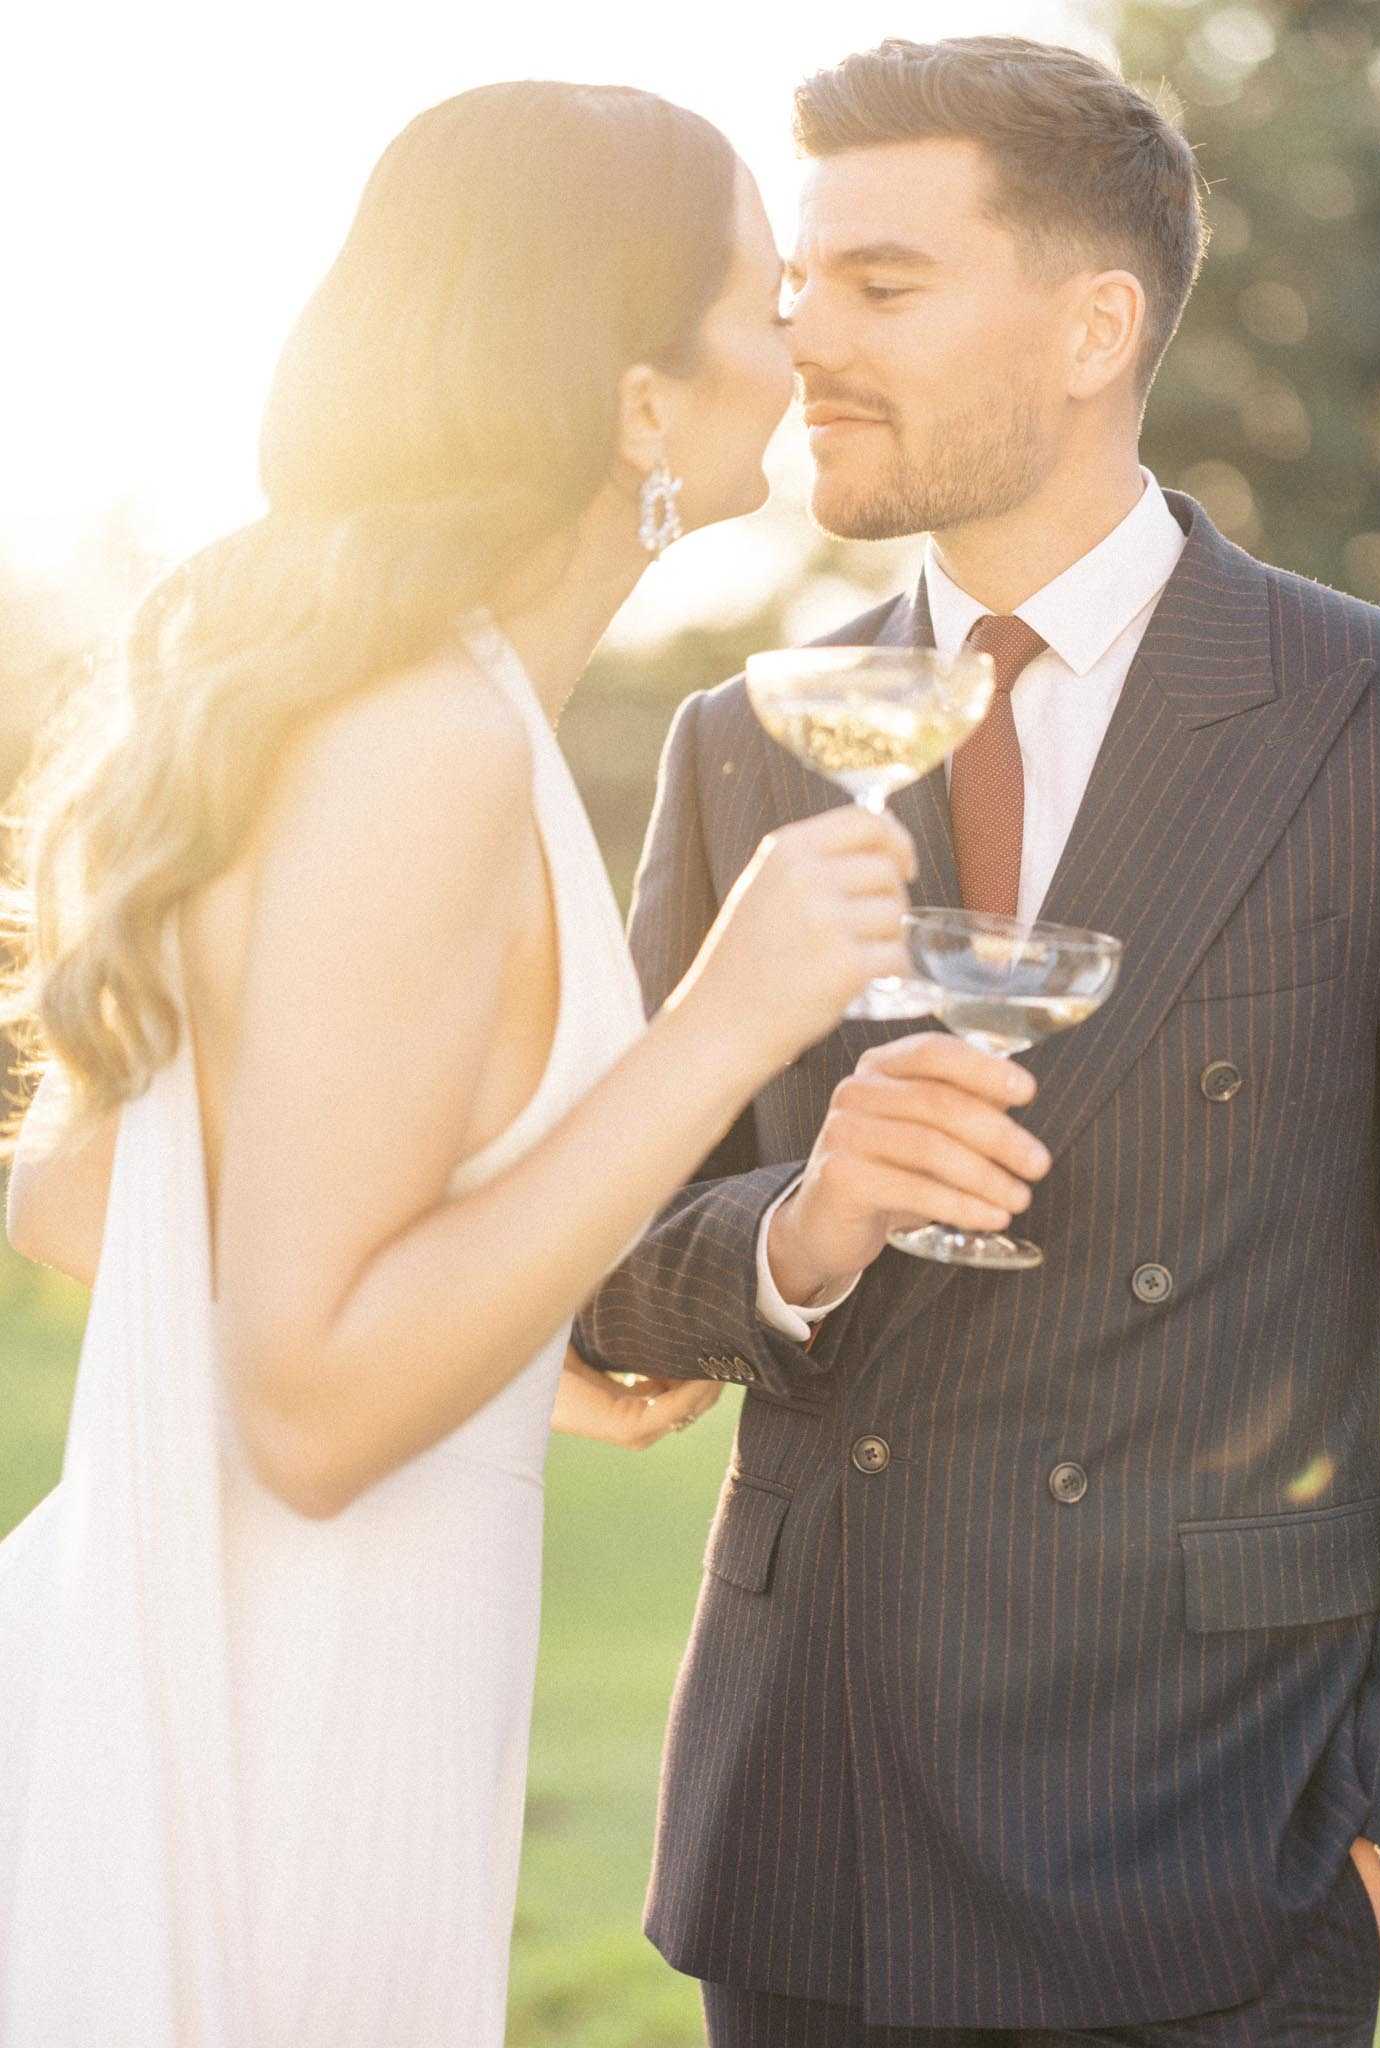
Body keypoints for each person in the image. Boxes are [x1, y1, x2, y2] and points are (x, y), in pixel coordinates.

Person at [575, 34, 1380, 2048]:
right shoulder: (743, 740)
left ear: (1097, 325)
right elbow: (600, 1276)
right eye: (800, 285)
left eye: (885, 285)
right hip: (810, 1835)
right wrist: (800, 1229)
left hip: (1221, 1856)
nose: (806, 335)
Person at [0, 80, 919, 2047]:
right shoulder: (427, 742)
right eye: (766, 301)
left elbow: (92, 1196)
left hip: (253, 1647)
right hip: (288, 1721)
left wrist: (515, 1360)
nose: (809, 343)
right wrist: (723, 1025)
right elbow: (313, 1412)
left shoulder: (400, 695)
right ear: (639, 399)